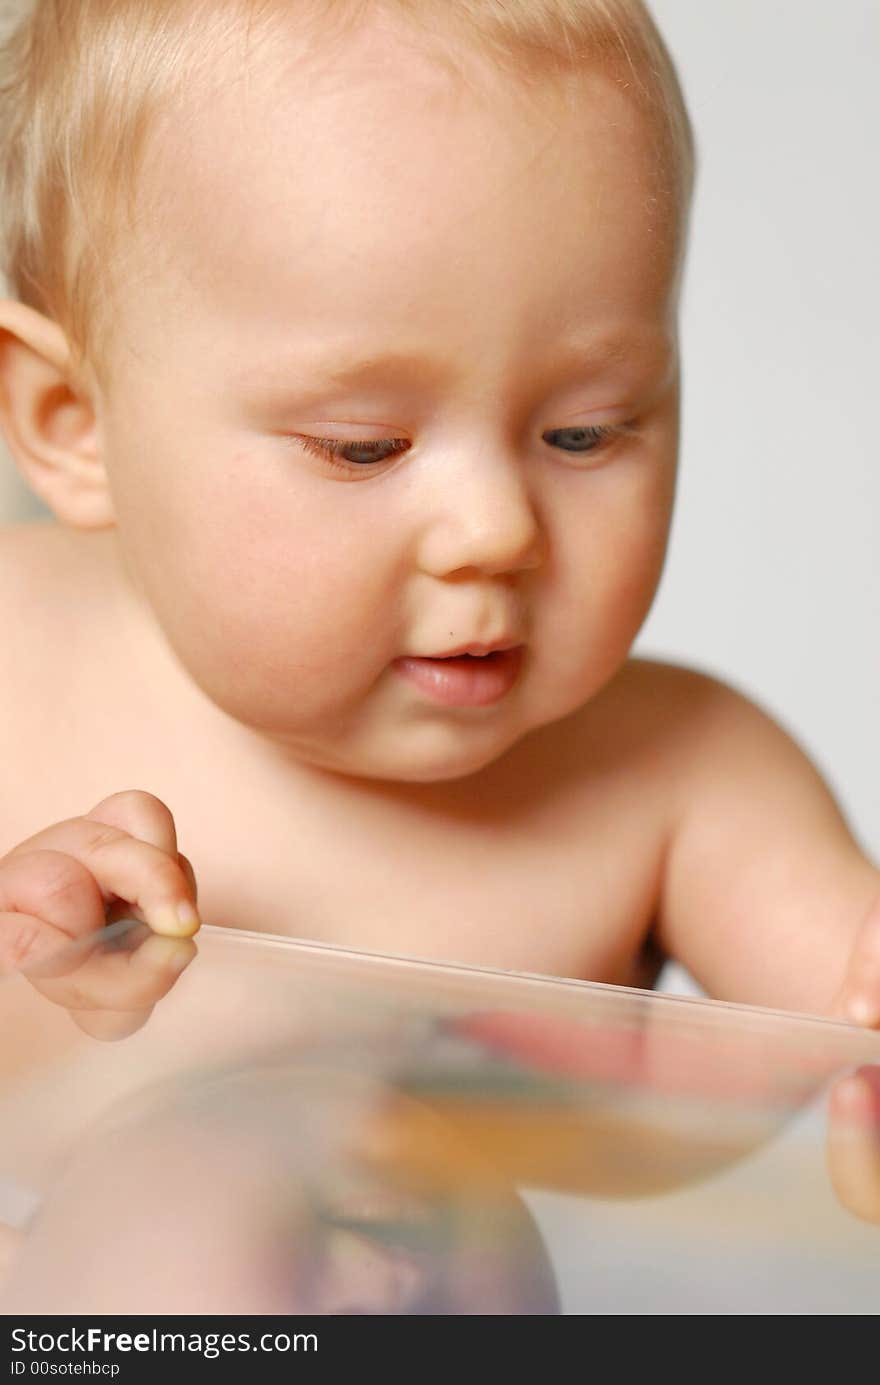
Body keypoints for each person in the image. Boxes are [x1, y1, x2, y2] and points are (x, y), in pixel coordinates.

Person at [0, 0, 877, 1212]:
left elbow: (850, 1009)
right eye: (363, 447)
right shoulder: (15, 662)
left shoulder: (685, 780)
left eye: (584, 429)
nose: (497, 529)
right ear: (72, 424)